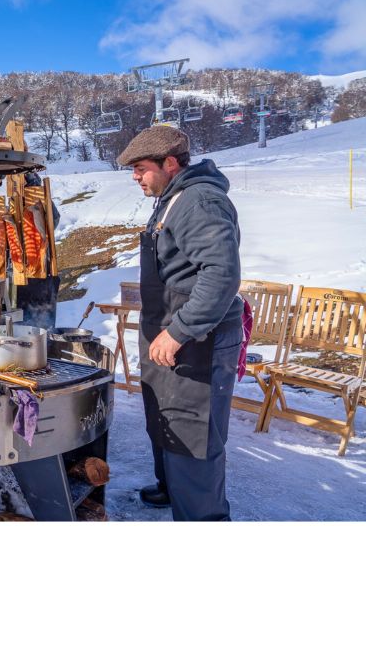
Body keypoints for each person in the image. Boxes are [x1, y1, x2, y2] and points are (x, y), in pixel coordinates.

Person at [117, 126, 243, 522]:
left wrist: (179, 331)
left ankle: (203, 519)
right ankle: (174, 487)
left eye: (140, 168)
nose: (135, 177)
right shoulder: (172, 198)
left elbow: (221, 273)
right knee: (165, 416)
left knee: (193, 430)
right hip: (169, 333)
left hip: (196, 340)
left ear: (170, 164)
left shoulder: (199, 201)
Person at [0, 172, 60, 328]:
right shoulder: (6, 217)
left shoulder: (39, 212)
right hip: (13, 279)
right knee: (14, 327)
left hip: (39, 280)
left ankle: (43, 347)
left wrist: (35, 186)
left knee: (41, 328)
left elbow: (53, 219)